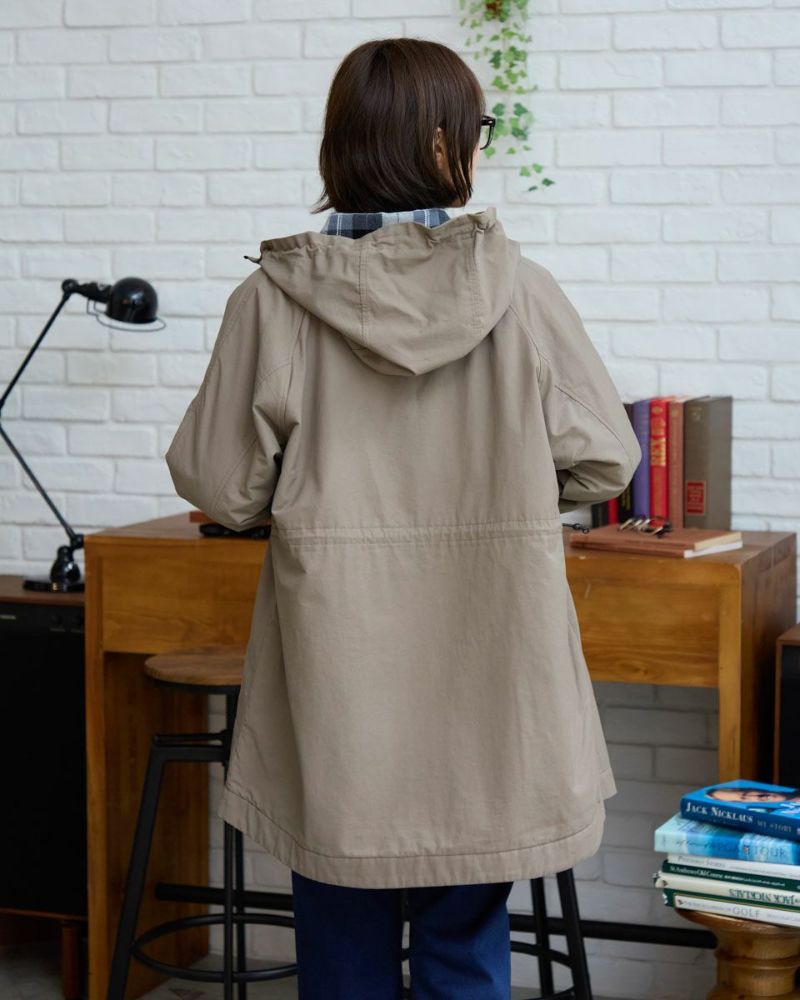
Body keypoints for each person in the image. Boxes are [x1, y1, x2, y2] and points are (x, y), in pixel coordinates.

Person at [165, 36, 642, 1000]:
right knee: (466, 943)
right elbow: (608, 458)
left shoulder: (273, 302)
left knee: (342, 936)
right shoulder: (520, 291)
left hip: (337, 685)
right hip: (492, 686)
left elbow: (222, 487)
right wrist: (507, 491)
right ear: (440, 144)